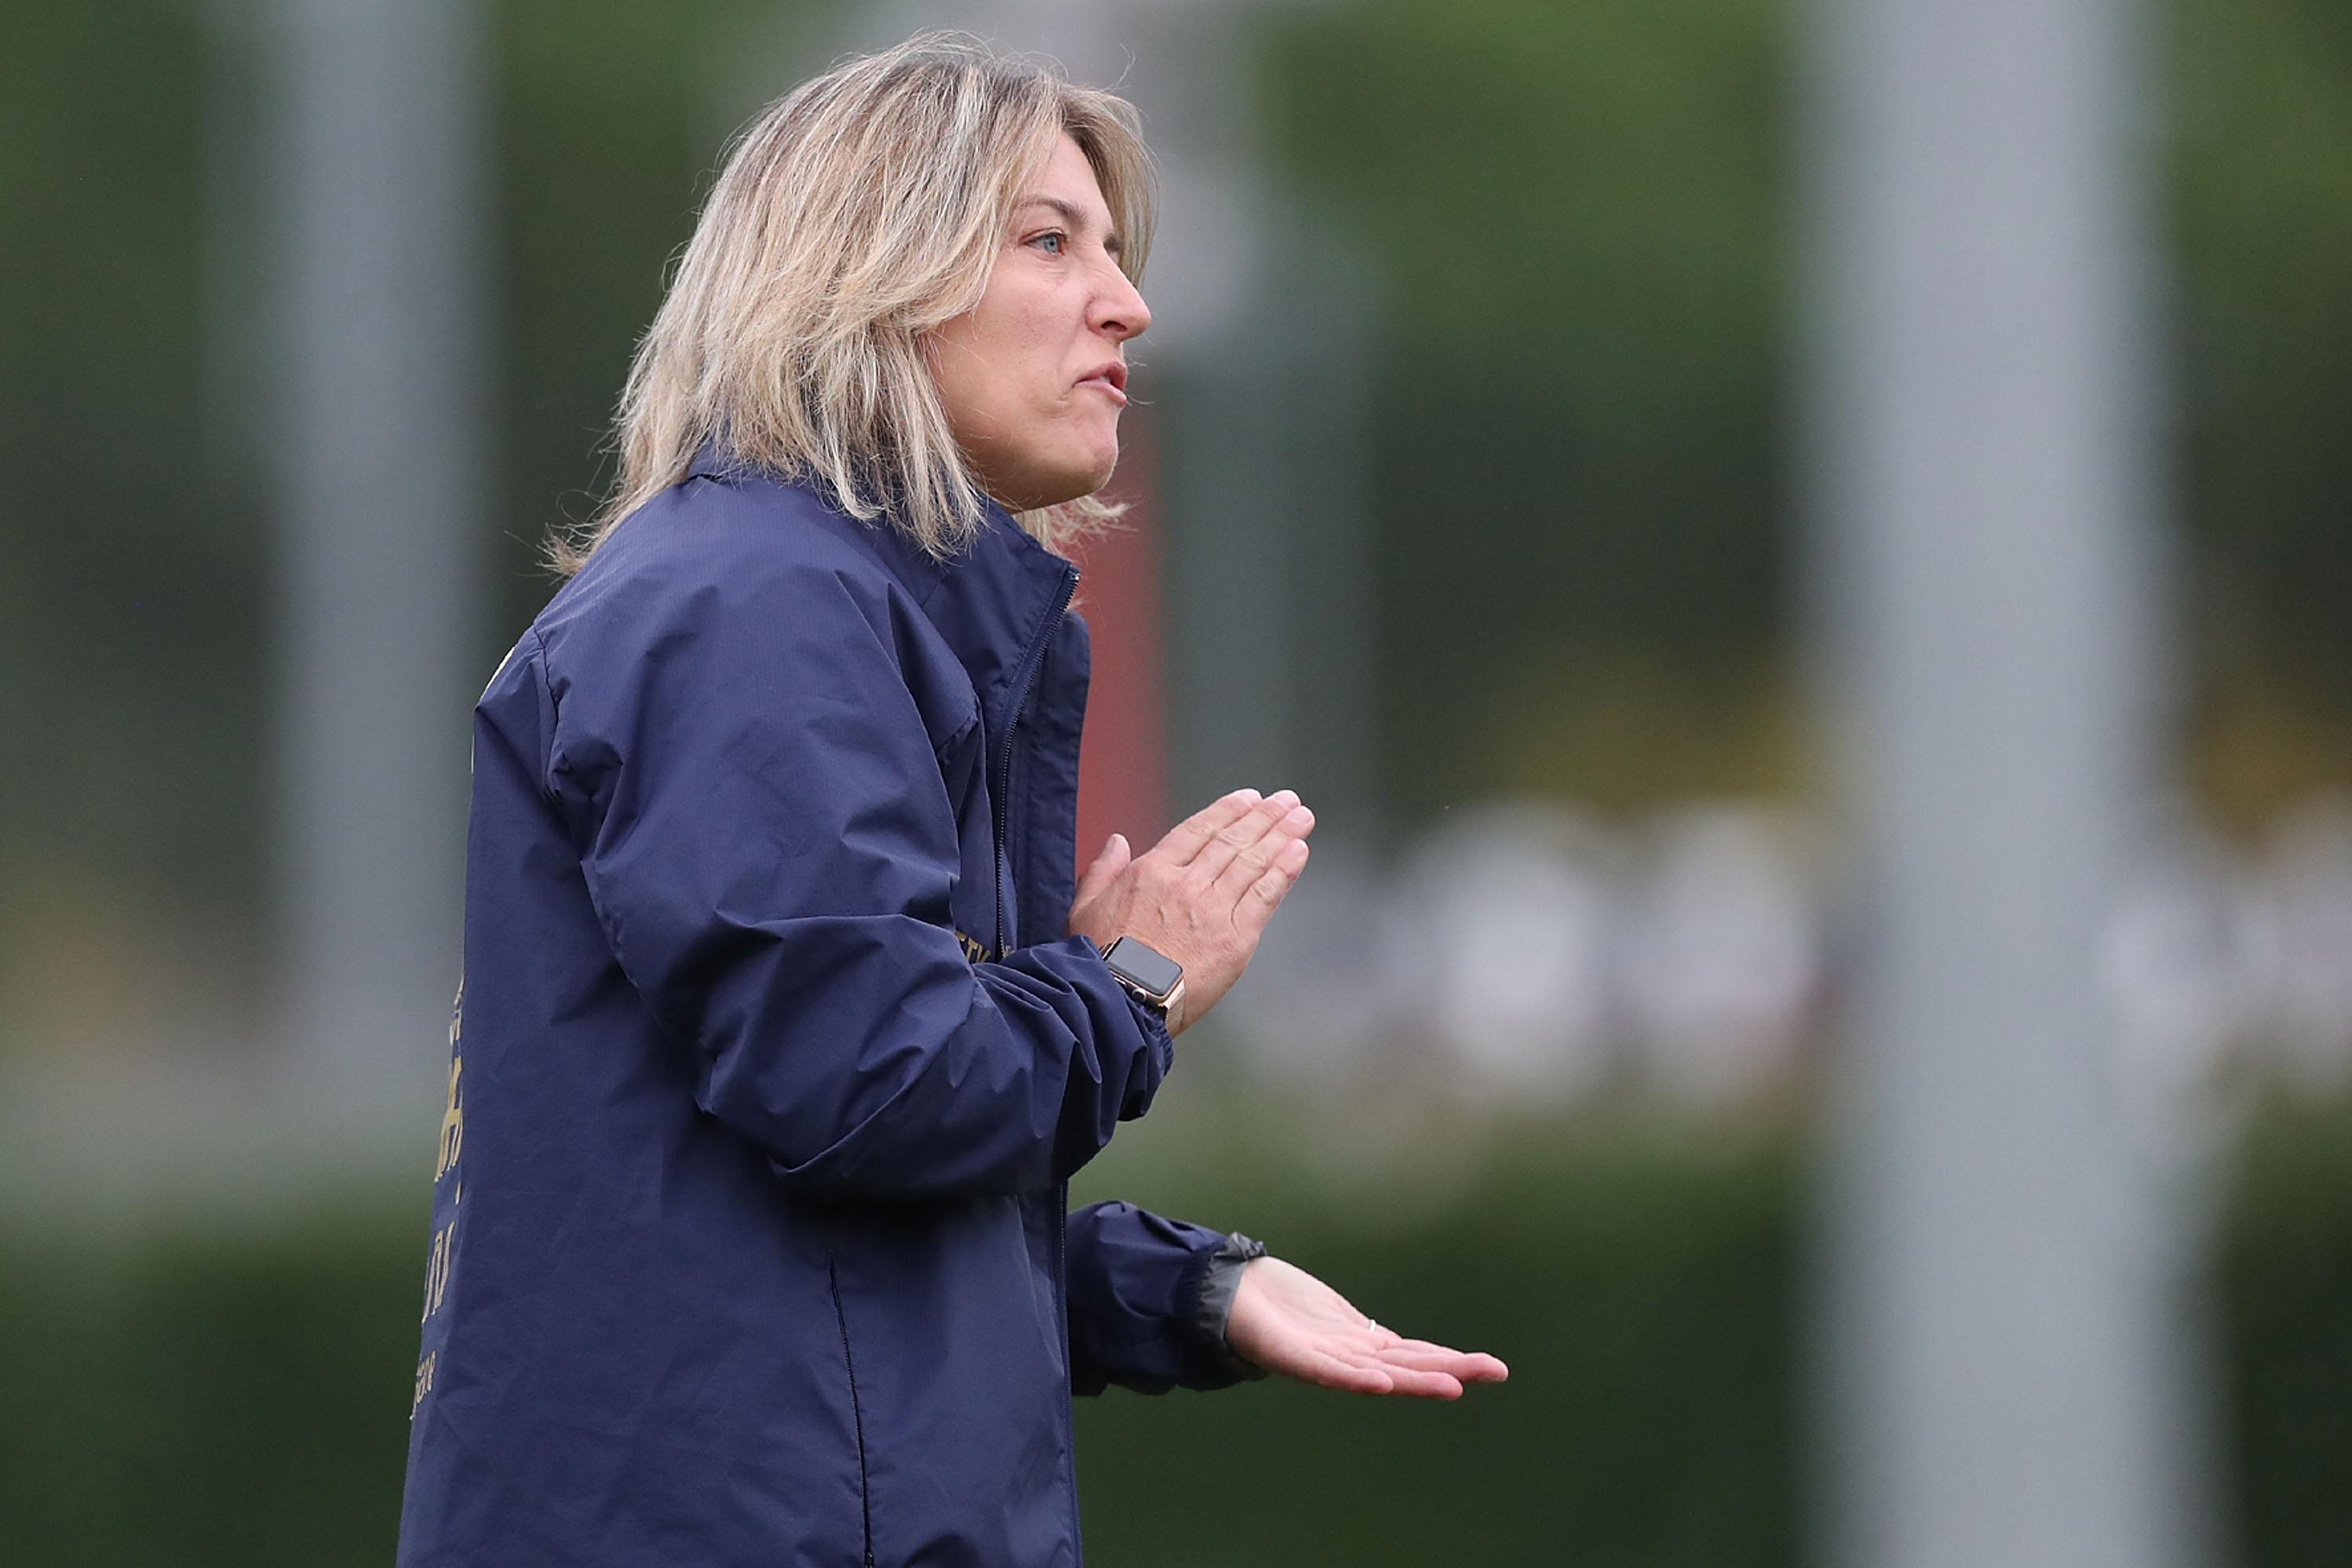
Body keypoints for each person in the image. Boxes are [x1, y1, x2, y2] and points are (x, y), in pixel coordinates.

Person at [396, 31, 1505, 1568]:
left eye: (1112, 249)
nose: (1124, 302)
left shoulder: (804, 599)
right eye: (1047, 240)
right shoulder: (756, 602)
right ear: (864, 272)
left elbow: (762, 1247)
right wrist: (1133, 982)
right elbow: (876, 1088)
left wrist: (1166, 1289)